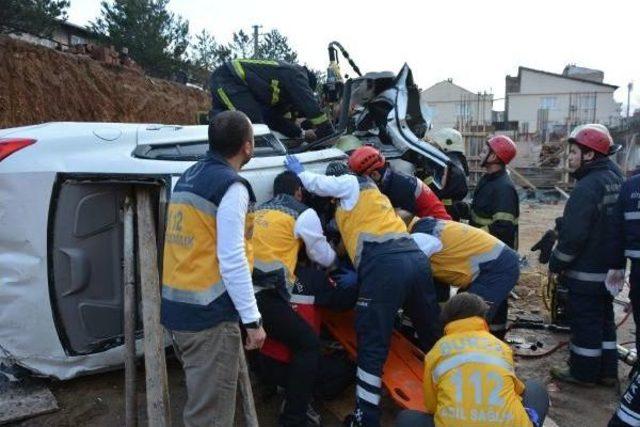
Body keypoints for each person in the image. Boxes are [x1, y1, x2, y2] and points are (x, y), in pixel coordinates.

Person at [284, 155, 441, 427]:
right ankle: (454, 390)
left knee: (370, 346)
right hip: (414, 259)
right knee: (431, 333)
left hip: (386, 266)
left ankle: (365, 418)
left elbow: (317, 184)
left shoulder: (351, 183)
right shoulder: (373, 199)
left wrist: (300, 173)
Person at [160, 111, 265, 427]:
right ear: (247, 147)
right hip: (209, 319)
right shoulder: (231, 186)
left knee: (201, 406)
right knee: (209, 419)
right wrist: (252, 320)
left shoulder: (190, 175)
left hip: (179, 314)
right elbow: (232, 259)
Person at [251, 171, 337, 426]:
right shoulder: (302, 212)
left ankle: (267, 383)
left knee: (261, 337)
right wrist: (337, 258)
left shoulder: (258, 209)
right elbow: (323, 256)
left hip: (242, 289)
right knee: (308, 344)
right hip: (265, 292)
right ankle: (294, 417)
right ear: (299, 191)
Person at [395, 293, 549, 427]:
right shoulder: (500, 347)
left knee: (407, 418)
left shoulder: (437, 351)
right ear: (482, 317)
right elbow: (519, 390)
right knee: (535, 389)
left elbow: (431, 406)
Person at [548, 125, 623, 386]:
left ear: (589, 155)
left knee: (585, 324)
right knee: (605, 322)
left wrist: (556, 262)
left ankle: (583, 373)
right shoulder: (615, 177)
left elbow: (574, 237)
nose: (569, 157)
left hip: (587, 272)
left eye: (574, 152)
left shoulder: (587, 186)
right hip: (611, 270)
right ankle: (607, 373)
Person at [410, 217, 520, 339]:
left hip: (498, 267)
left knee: (469, 320)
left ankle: (478, 349)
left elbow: (408, 275)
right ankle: (490, 342)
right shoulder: (423, 228)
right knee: (465, 314)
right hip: (493, 264)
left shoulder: (419, 239)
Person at [209, 59, 335, 140]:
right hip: (229, 78)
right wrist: (327, 130)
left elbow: (275, 120)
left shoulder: (281, 96)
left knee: (221, 126)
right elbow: (309, 103)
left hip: (233, 83)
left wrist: (300, 132)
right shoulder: (296, 73)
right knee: (253, 123)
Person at [347, 145, 451, 220]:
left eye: (362, 178)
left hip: (439, 230)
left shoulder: (399, 187)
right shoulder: (391, 178)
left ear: (374, 174)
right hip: (430, 224)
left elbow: (406, 219)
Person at [469, 135, 519, 249]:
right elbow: (481, 210)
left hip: (495, 250)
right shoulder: (487, 179)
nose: (480, 155)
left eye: (484, 151)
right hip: (482, 244)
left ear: (493, 156)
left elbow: (503, 227)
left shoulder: (504, 188)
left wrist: (472, 235)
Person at [426, 128, 470, 220]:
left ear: (446, 144)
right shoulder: (456, 161)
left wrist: (423, 172)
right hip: (451, 213)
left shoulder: (450, 166)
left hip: (446, 214)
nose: (434, 148)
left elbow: (438, 191)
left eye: (436, 145)